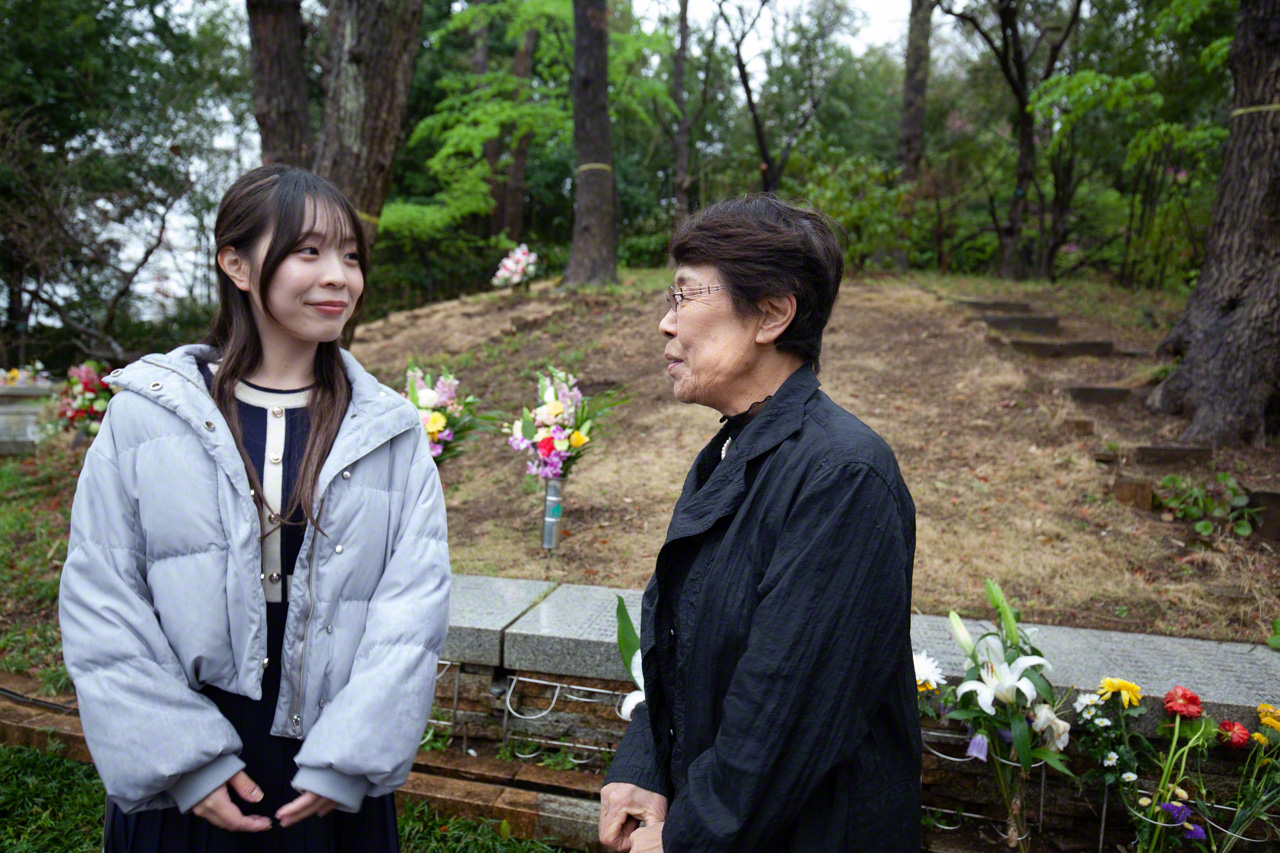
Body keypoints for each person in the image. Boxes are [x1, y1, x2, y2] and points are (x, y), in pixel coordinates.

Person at [58, 164, 451, 852]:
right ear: (236, 264)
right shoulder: (147, 417)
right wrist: (186, 763)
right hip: (186, 777)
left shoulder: (389, 431)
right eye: (309, 252)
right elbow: (102, 596)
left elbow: (412, 611)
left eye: (350, 256)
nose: (338, 276)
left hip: (327, 782)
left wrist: (347, 761)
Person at [598, 195, 921, 852]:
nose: (666, 322)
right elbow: (685, 643)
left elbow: (783, 709)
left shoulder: (842, 475)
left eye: (685, 296)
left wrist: (681, 839)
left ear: (772, 313)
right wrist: (644, 769)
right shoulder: (729, 453)